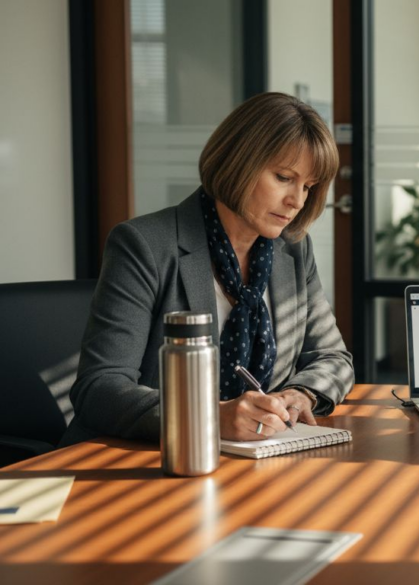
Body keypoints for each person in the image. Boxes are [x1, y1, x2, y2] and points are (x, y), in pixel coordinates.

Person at [62, 92, 354, 445]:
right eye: (283, 177)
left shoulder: (292, 249)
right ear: (238, 162)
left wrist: (302, 393)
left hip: (255, 457)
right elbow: (99, 388)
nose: (297, 201)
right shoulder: (144, 244)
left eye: (308, 187)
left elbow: (335, 358)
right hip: (144, 458)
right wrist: (208, 417)